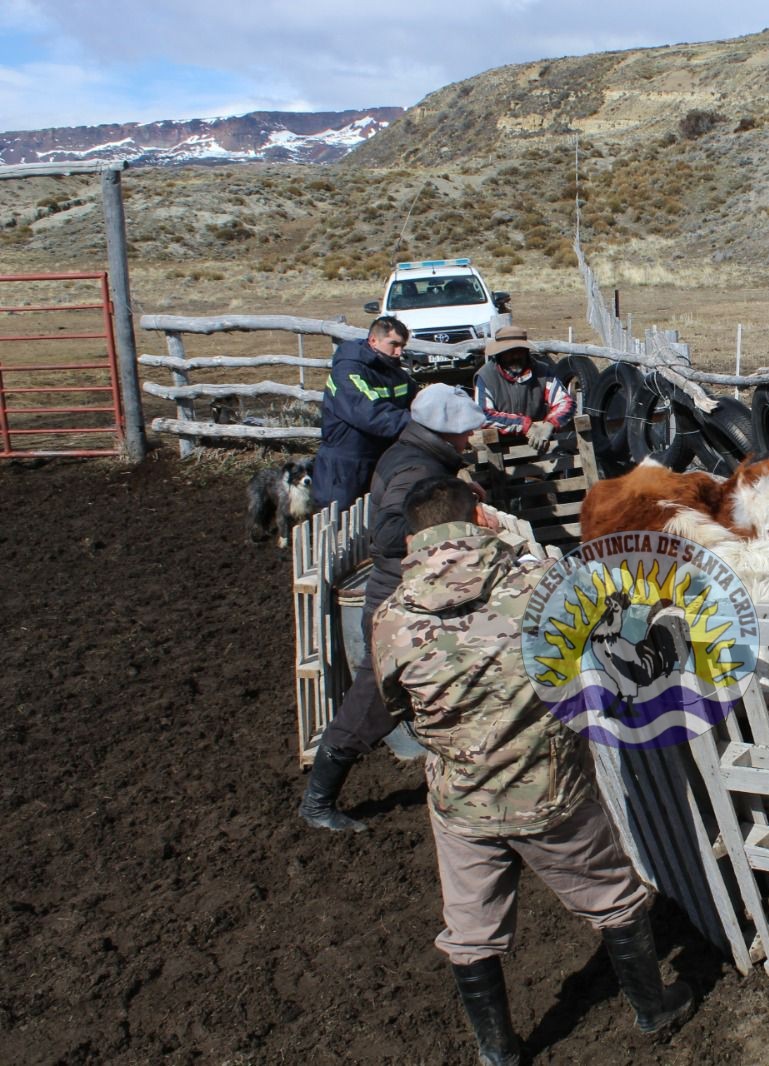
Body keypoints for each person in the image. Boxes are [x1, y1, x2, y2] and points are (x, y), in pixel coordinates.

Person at [373, 476, 696, 1063]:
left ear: (416, 536)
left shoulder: (392, 616)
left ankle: (499, 1052)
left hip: (460, 800)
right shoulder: (541, 588)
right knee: (614, 899)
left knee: (470, 930)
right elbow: (616, 647)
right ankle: (653, 1008)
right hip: (549, 790)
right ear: (478, 516)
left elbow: (399, 710)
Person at [298, 383, 488, 832]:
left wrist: (456, 492)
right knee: (374, 701)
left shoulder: (411, 454)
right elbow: (387, 536)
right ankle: (318, 802)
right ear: (445, 433)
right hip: (401, 603)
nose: (468, 440)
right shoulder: (417, 469)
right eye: (463, 433)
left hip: (414, 597)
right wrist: (454, 505)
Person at [311, 316, 416, 513]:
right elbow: (370, 412)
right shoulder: (348, 372)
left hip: (378, 461)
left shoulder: (395, 374)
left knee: (375, 522)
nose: (398, 352)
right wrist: (420, 424)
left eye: (402, 346)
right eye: (393, 344)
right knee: (340, 527)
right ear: (373, 340)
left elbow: (416, 400)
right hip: (344, 467)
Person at [473, 326, 575, 446]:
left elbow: (565, 403)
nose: (515, 356)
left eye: (519, 351)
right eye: (510, 352)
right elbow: (484, 415)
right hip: (499, 448)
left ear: (526, 351)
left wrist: (551, 424)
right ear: (500, 354)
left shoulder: (542, 371)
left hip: (539, 443)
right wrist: (524, 425)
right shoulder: (486, 376)